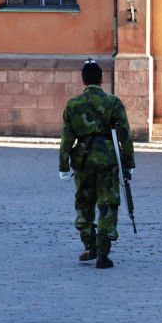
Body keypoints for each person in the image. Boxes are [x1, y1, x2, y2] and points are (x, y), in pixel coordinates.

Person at [59, 58, 135, 269]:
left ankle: (89, 245)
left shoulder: (73, 104)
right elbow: (125, 135)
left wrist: (63, 166)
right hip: (108, 161)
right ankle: (103, 252)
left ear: (83, 80)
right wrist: (129, 162)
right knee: (108, 204)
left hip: (83, 162)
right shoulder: (113, 102)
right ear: (101, 80)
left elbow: (66, 139)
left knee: (84, 203)